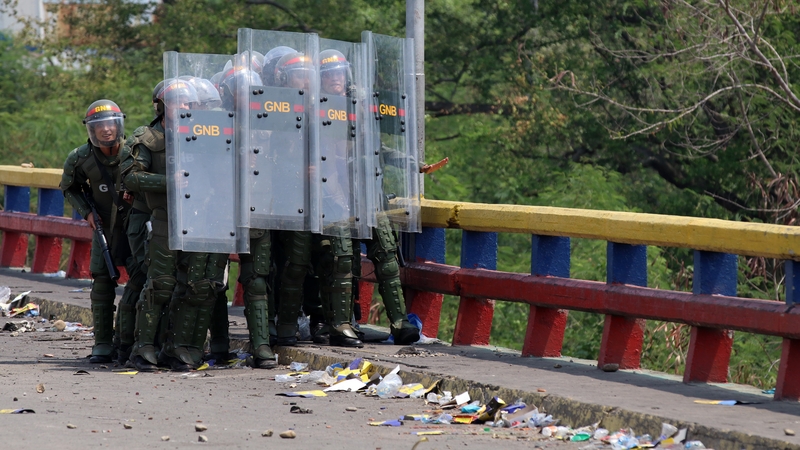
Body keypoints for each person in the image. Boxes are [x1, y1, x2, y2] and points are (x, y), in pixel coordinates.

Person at [60, 99, 132, 363]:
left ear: (119, 125)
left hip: (134, 226)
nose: (105, 130)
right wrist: (87, 212)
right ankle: (102, 343)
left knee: (140, 283)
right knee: (102, 283)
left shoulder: (135, 152)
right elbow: (69, 187)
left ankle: (129, 340)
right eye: (98, 125)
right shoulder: (80, 158)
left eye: (110, 124)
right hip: (103, 226)